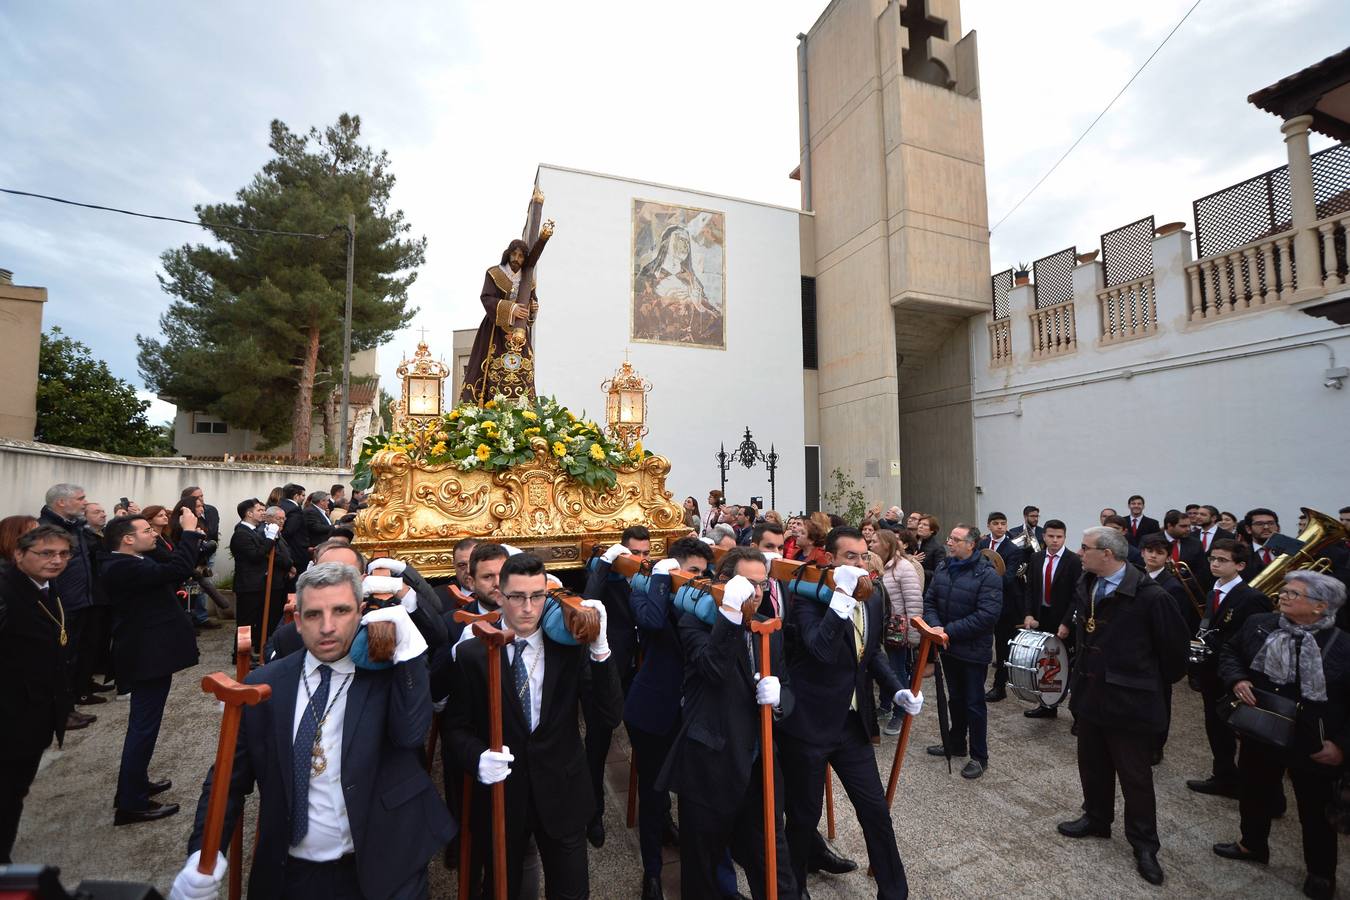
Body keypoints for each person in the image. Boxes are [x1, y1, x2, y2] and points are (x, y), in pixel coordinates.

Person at [171, 562, 452, 900]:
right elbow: (227, 779)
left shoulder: (389, 675)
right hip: (293, 871)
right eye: (315, 614)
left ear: (361, 613)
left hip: (386, 861)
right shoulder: (263, 686)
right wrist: (205, 853)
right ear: (299, 620)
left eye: (341, 611)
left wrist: (409, 658)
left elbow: (410, 735)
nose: (328, 627)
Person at [444, 552, 615, 899]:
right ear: (500, 596)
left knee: (571, 892)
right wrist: (477, 758)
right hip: (504, 798)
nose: (527, 608)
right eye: (517, 597)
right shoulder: (474, 654)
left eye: (537, 596)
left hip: (563, 793)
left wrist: (600, 650)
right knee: (505, 889)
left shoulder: (567, 648)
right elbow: (454, 728)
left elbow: (609, 715)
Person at [779, 526, 920, 900]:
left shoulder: (872, 596)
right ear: (829, 558)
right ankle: (794, 887)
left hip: (851, 723)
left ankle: (894, 891)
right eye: (849, 557)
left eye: (863, 556)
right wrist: (840, 595)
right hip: (808, 723)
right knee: (804, 816)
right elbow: (821, 650)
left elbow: (870, 652)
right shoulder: (807, 598)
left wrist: (898, 689)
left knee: (874, 809)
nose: (859, 564)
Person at [656, 547, 797, 900]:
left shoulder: (770, 627)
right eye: (747, 584)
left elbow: (788, 686)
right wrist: (731, 614)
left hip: (759, 765)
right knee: (703, 871)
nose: (757, 593)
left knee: (775, 870)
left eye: (762, 584)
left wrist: (780, 699)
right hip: (711, 766)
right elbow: (713, 670)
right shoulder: (694, 622)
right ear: (724, 582)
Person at [1053, 526, 1188, 887]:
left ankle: (1144, 844)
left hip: (1130, 702)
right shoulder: (1088, 581)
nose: (1080, 553)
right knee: (1092, 764)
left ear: (1108, 554)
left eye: (1085, 548)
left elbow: (1175, 655)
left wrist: (1140, 682)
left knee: (1135, 777)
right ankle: (1096, 818)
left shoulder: (1151, 596)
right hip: (1091, 695)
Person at [1212, 571, 1349, 900]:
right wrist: (1237, 679)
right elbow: (1230, 652)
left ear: (1320, 607)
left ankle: (1320, 873)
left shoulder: (1343, 645)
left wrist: (1343, 746)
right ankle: (1252, 844)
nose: (1283, 597)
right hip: (1262, 727)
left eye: (1293, 594)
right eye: (1284, 591)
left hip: (1313, 741)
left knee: (1314, 811)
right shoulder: (1261, 623)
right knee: (1254, 790)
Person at [101, 510, 206, 825]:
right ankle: (131, 803)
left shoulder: (134, 559)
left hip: (151, 654)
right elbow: (179, 567)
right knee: (143, 728)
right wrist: (188, 532)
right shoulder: (120, 567)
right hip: (146, 656)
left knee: (146, 725)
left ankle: (134, 784)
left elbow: (169, 565)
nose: (155, 534)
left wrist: (167, 537)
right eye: (148, 530)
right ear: (128, 539)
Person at [624, 537, 714, 900]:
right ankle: (652, 874)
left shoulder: (703, 603)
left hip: (692, 711)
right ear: (675, 567)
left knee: (692, 793)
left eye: (704, 574)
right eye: (693, 572)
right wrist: (663, 580)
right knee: (653, 791)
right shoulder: (647, 590)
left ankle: (692, 864)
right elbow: (651, 621)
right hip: (652, 710)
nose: (700, 581)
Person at [0, 524, 75, 863]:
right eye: (46, 553)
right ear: (18, 555)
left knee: (15, 791)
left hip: (36, 714)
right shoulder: (6, 590)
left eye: (63, 554)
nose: (56, 560)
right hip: (11, 714)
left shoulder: (46, 586)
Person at [580, 525, 652, 847]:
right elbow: (589, 604)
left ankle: (660, 818)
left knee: (649, 748)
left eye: (646, 553)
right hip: (604, 672)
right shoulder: (606, 578)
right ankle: (592, 814)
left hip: (637, 673)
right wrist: (607, 562)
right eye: (634, 552)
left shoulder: (649, 578)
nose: (640, 559)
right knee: (597, 746)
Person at [1185, 538, 1272, 798]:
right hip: (1211, 670)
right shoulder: (1214, 590)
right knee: (1215, 725)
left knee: (1237, 730)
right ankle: (1223, 774)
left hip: (1233, 674)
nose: (1214, 564)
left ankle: (1255, 787)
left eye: (1222, 560)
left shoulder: (1252, 598)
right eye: (1212, 559)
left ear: (1240, 565)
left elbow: (1251, 641)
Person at [923, 524, 1001, 779]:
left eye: (955, 539)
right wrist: (936, 627)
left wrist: (948, 631)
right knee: (954, 698)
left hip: (972, 649)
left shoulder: (987, 575)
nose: (950, 542)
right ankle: (956, 743)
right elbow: (930, 600)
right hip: (948, 647)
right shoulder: (945, 567)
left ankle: (980, 757)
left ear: (971, 544)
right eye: (950, 538)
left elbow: (987, 615)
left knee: (974, 703)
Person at [459, 214, 554, 406]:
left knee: (523, 370)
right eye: (514, 254)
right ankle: (484, 405)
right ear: (508, 254)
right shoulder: (494, 274)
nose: (516, 259)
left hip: (519, 333)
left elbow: (531, 307)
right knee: (489, 367)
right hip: (495, 329)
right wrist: (511, 309)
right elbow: (486, 298)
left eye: (520, 256)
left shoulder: (528, 280)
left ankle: (524, 406)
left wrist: (532, 309)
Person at [37, 484, 101, 718]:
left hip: (83, 599)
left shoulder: (76, 526)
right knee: (63, 658)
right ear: (61, 502)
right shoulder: (46, 529)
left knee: (81, 652)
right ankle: (63, 711)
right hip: (62, 605)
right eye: (80, 498)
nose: (85, 502)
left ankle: (78, 692)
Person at [1020, 519, 1082, 720]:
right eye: (1051, 536)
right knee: (1046, 663)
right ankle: (1047, 706)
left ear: (1064, 537)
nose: (1055, 541)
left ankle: (1077, 716)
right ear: (1044, 537)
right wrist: (1029, 614)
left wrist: (1066, 623)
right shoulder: (1037, 558)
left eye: (1059, 537)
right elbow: (1030, 590)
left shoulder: (1073, 561)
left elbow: (1077, 595)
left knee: (1067, 666)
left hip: (1064, 620)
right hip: (1041, 618)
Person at [874, 528, 924, 735]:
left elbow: (913, 602)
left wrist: (914, 634)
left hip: (898, 629)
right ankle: (885, 705)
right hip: (880, 627)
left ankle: (900, 713)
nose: (870, 543)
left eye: (875, 541)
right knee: (882, 668)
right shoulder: (877, 565)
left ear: (886, 544)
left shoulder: (903, 567)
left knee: (897, 670)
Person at [229, 498, 287, 656]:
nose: (263, 513)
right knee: (245, 622)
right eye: (259, 510)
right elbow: (256, 556)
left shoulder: (254, 530)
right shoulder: (241, 533)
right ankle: (240, 655)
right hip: (248, 585)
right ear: (249, 513)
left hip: (258, 583)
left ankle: (253, 652)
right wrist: (269, 539)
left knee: (258, 620)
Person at [979, 512, 1025, 704]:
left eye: (1003, 523)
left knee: (1002, 646)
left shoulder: (1013, 549)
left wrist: (982, 580)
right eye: (995, 523)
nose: (1000, 526)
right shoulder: (981, 545)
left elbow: (1008, 578)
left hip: (1005, 604)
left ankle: (1000, 686)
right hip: (982, 602)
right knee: (982, 643)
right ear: (989, 526)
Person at [1245, 508, 1282, 582]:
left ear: (1278, 527)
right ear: (1248, 529)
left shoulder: (1289, 551)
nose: (1266, 527)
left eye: (1271, 523)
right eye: (1259, 524)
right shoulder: (1240, 554)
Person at [303, 491, 335, 557]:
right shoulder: (311, 511)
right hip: (317, 547)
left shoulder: (320, 511)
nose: (328, 502)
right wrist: (334, 527)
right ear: (321, 501)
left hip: (325, 546)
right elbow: (316, 527)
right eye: (327, 500)